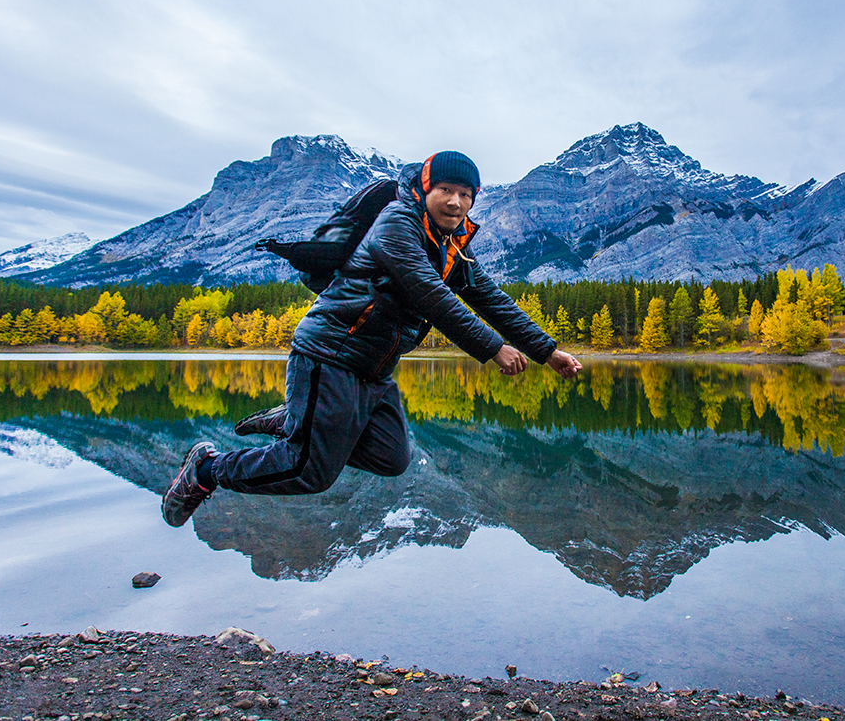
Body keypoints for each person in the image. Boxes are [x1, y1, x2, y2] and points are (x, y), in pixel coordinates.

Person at [162, 150, 581, 527]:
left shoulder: (450, 243)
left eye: (466, 194)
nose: (456, 201)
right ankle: (205, 471)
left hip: (373, 370)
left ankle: (299, 419)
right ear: (425, 187)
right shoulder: (396, 223)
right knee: (309, 472)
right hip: (331, 353)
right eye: (445, 189)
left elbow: (489, 297)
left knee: (391, 456)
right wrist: (493, 348)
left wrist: (547, 351)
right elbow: (429, 295)